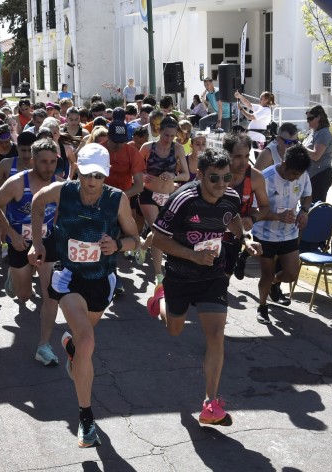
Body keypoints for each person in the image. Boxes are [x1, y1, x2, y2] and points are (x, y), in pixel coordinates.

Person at [29, 143, 140, 447]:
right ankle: (86, 418)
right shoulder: (62, 190)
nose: (92, 182)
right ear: (77, 168)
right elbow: (37, 204)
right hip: (68, 277)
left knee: (82, 343)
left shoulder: (116, 200)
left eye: (99, 176)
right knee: (88, 341)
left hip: (101, 281)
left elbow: (135, 239)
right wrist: (36, 243)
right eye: (87, 174)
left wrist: (118, 246)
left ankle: (71, 347)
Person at [149, 149, 262, 427]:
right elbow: (157, 240)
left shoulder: (231, 197)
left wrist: (245, 239)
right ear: (199, 176)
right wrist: (192, 256)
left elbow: (233, 218)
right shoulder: (183, 200)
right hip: (180, 275)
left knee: (216, 335)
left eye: (227, 178)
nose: (222, 184)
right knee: (174, 330)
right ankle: (160, 299)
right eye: (214, 178)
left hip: (212, 276)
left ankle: (210, 403)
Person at [0, 138, 62, 363]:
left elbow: (59, 210)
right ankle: (15, 274)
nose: (48, 167)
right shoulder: (17, 183)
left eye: (52, 162)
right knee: (24, 295)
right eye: (43, 162)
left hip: (47, 242)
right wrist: (10, 233)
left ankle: (44, 345)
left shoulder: (59, 184)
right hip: (19, 242)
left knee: (51, 294)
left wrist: (56, 231)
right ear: (32, 161)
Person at [252, 144, 312, 324]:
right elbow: (255, 210)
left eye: (299, 175)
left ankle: (274, 284)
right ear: (284, 164)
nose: (296, 179)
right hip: (265, 234)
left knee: (292, 274)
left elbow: (307, 195)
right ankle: (262, 307)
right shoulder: (266, 178)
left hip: (289, 233)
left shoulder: (302, 175)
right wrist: (277, 216)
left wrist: (305, 211)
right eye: (293, 174)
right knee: (267, 273)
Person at [137, 116, 189, 285]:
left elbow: (186, 175)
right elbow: (135, 170)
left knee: (162, 232)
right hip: (148, 195)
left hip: (168, 197)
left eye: (173, 136)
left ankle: (144, 247)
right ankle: (159, 274)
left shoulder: (178, 149)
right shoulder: (147, 147)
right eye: (166, 135)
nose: (169, 139)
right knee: (159, 232)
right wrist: (144, 176)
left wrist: (173, 175)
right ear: (159, 132)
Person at [103, 108, 145, 293]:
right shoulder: (100, 150)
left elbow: (139, 186)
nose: (119, 145)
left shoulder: (132, 152)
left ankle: (111, 273)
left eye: (122, 141)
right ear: (108, 137)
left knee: (120, 237)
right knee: (105, 236)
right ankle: (111, 275)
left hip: (122, 200)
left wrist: (119, 196)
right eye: (115, 141)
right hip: (98, 199)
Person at [221, 133, 270, 280]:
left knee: (224, 278)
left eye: (246, 156)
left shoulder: (256, 177)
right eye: (238, 157)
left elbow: (265, 207)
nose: (243, 162)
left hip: (236, 235)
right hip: (210, 231)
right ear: (227, 154)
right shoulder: (216, 172)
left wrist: (252, 218)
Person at [303, 105, 332, 204]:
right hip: (310, 175)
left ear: (319, 117)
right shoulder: (312, 132)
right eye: (307, 119)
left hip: (320, 174)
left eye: (310, 118)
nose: (308, 121)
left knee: (315, 207)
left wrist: (299, 147)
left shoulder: (324, 133)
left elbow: (316, 156)